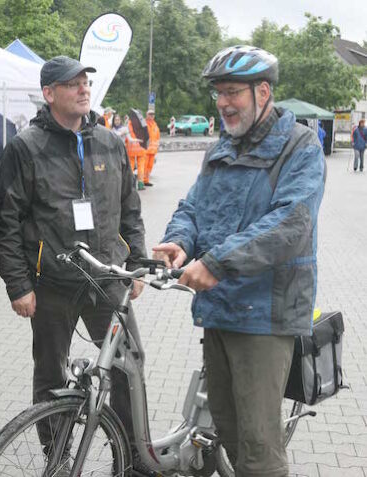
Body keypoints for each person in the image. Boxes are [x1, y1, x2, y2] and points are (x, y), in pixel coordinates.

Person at [153, 46, 325, 477]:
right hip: (219, 309)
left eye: (233, 92)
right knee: (226, 430)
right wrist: (180, 240)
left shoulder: (299, 147)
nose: (224, 103)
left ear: (262, 91)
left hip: (265, 316)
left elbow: (290, 223)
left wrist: (217, 262)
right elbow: (193, 205)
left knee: (258, 447)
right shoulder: (222, 147)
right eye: (219, 94)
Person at [0, 56, 148, 472]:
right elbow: (4, 221)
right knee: (50, 375)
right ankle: (58, 457)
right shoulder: (26, 147)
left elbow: (130, 206)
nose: (83, 89)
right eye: (72, 83)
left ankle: (131, 455)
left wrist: (138, 259)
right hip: (53, 282)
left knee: (128, 364)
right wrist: (18, 285)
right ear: (49, 93)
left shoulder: (110, 142)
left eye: (85, 82)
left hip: (106, 278)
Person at [144, 109, 160, 186]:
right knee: (145, 166)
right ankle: (143, 180)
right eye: (150, 114)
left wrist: (157, 147)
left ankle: (146, 180)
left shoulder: (155, 125)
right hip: (146, 150)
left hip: (153, 150)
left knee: (149, 167)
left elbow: (157, 137)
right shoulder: (144, 124)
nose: (151, 116)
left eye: (153, 114)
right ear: (146, 115)